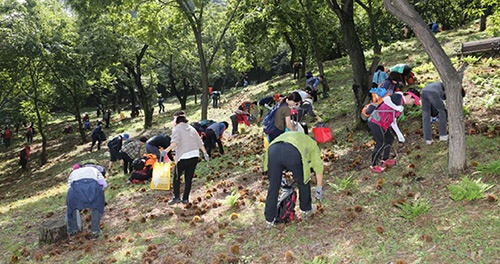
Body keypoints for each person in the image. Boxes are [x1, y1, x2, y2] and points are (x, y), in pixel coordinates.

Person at [263, 131, 324, 226]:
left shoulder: (298, 136)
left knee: (273, 187)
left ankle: (269, 219)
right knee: (304, 180)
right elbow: (318, 166)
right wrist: (319, 187)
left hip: (272, 150)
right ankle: (306, 210)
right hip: (291, 152)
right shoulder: (313, 145)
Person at [367, 88, 421, 173]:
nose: (412, 104)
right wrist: (396, 107)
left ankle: (385, 160)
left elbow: (393, 120)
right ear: (410, 96)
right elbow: (386, 99)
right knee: (380, 143)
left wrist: (399, 134)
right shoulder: (398, 97)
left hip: (383, 124)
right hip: (375, 122)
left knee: (389, 139)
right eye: (413, 101)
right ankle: (374, 165)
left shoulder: (401, 104)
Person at [164, 113, 210, 205]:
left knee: (176, 177)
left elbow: (175, 142)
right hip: (194, 156)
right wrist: (205, 153)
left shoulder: (176, 129)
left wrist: (165, 151)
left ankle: (176, 197)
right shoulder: (192, 128)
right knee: (188, 178)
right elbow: (200, 142)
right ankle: (185, 199)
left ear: (176, 121)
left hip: (183, 156)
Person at [66, 164, 107, 240]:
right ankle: (95, 231)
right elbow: (104, 184)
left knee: (71, 207)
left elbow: (69, 188)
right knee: (96, 207)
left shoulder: (73, 173)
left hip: (75, 189)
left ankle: (73, 231)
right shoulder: (95, 170)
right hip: (93, 188)